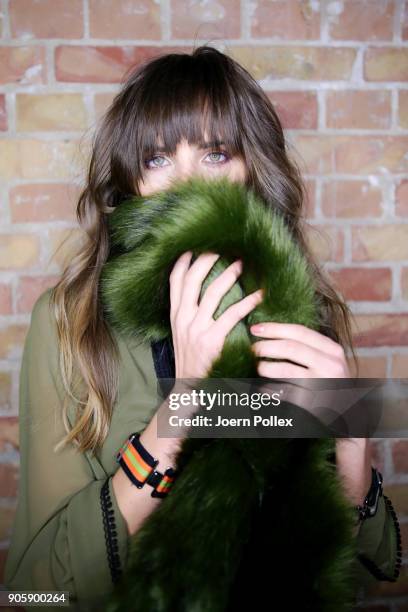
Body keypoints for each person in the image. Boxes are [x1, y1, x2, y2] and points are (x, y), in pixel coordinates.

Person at [4, 45, 401, 611]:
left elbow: (372, 570)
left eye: (215, 154)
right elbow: (33, 588)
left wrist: (353, 449)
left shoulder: (300, 307)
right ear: (131, 181)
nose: (186, 182)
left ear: (250, 171)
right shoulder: (71, 323)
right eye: (157, 159)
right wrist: (184, 407)